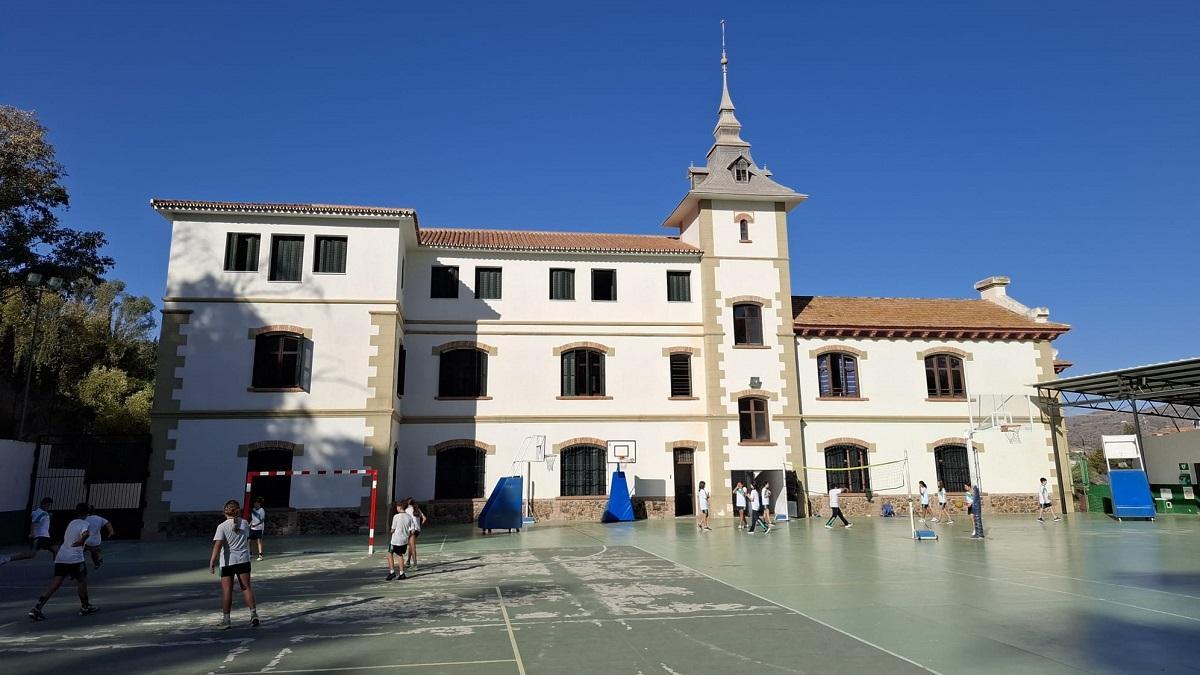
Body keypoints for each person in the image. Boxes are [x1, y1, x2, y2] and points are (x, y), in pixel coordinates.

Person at [27, 502, 96, 621]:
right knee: (82, 580)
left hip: (61, 556)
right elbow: (85, 533)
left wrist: (84, 545)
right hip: (75, 558)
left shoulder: (72, 523)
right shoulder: (85, 523)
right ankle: (85, 606)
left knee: (56, 583)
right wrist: (82, 540)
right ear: (87, 513)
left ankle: (37, 608)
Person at [209, 500, 259, 630]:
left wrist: (212, 561)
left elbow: (218, 546)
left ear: (225, 512)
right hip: (243, 560)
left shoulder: (222, 526)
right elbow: (247, 540)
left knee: (227, 591)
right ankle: (253, 614)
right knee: (246, 587)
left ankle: (227, 620)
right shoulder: (244, 523)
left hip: (227, 562)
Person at [0, 497, 59, 566]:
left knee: (31, 554)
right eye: (49, 505)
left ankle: (7, 558)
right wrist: (32, 533)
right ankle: (58, 569)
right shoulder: (42, 513)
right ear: (46, 504)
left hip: (40, 537)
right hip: (42, 537)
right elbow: (34, 522)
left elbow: (38, 518)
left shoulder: (38, 512)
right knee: (56, 549)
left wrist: (47, 515)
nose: (49, 507)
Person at [387, 500, 417, 580]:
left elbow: (393, 529)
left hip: (395, 540)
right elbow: (413, 530)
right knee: (400, 555)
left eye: (397, 506)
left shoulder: (396, 517)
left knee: (389, 554)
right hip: (404, 540)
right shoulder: (409, 517)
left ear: (400, 507)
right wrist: (408, 535)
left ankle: (392, 572)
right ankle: (401, 573)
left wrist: (390, 531)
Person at [404, 497, 427, 571]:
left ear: (408, 503)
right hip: (417, 530)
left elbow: (406, 521)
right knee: (411, 546)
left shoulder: (407, 510)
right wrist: (420, 525)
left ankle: (415, 564)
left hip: (412, 530)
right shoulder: (417, 509)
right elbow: (424, 518)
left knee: (413, 547)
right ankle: (408, 561)